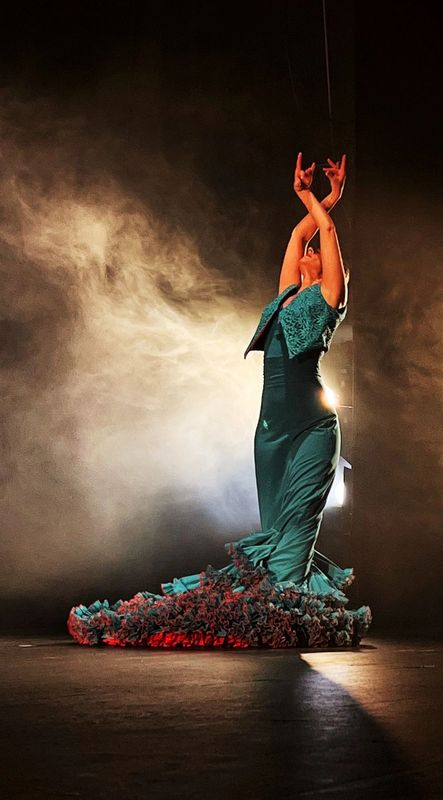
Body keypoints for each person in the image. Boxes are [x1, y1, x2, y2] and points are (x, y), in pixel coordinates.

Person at [67, 153, 372, 648]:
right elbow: (300, 236)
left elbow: (326, 235)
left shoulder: (329, 298)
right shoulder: (285, 297)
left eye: (316, 250)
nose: (308, 248)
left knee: (294, 539)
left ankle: (285, 608)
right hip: (270, 432)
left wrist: (324, 206)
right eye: (307, 249)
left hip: (314, 429)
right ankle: (277, 600)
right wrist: (317, 198)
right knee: (275, 534)